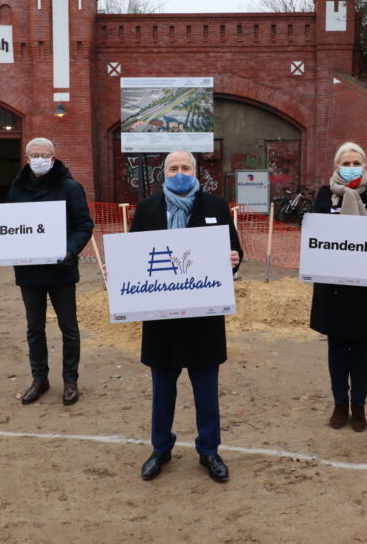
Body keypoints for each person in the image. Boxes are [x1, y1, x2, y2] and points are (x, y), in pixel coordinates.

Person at [131, 150, 242, 483]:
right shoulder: (147, 209)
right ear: (163, 173)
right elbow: (134, 257)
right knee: (163, 389)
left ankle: (209, 450)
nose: (180, 173)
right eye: (173, 168)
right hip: (161, 319)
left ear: (196, 171)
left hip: (203, 318)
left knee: (206, 390)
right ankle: (160, 448)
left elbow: (235, 253)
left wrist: (236, 259)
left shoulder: (216, 206)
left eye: (186, 167)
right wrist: (119, 271)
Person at [309, 142, 367, 433]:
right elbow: (314, 236)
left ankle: (359, 406)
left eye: (357, 161)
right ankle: (339, 404)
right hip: (333, 285)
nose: (352, 166)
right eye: (346, 161)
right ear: (336, 166)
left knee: (361, 345)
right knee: (336, 344)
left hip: (366, 286)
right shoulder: (324, 194)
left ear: (366, 164)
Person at [6, 138, 95, 407]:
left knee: (68, 327)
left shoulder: (69, 187)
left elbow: (84, 224)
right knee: (34, 328)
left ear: (53, 158)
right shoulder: (17, 188)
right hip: (29, 271)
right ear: (27, 157)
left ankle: (70, 380)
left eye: (44, 154)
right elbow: (8, 225)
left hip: (61, 269)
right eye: (34, 154)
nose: (39, 158)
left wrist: (70, 249)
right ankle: (39, 379)